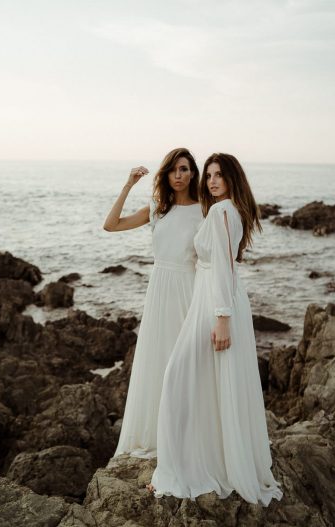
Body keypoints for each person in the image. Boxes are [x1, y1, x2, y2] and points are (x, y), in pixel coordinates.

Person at [149, 153, 283, 505]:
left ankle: (183, 469)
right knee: (211, 383)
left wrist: (222, 317)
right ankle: (203, 461)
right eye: (208, 175)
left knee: (177, 376)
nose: (211, 181)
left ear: (232, 178)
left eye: (218, 175)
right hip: (212, 299)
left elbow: (224, 265)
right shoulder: (226, 210)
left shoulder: (223, 211)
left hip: (216, 303)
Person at [103, 148, 202, 458]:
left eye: (184, 169)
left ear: (192, 174)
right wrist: (128, 185)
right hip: (159, 292)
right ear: (166, 174)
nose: (178, 174)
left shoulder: (204, 211)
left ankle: (189, 439)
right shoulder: (157, 209)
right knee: (157, 364)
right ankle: (159, 437)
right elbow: (111, 224)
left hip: (188, 292)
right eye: (173, 169)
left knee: (186, 366)